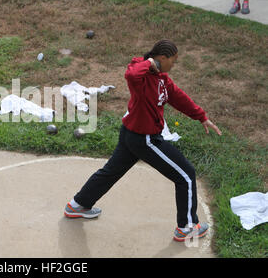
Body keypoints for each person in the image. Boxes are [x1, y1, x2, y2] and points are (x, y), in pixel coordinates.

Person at [64, 39, 222, 242]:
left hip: (132, 135)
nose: (174, 65)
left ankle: (77, 205)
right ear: (161, 58)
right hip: (144, 139)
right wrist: (149, 64)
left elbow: (177, 97)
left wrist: (201, 116)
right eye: (172, 61)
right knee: (186, 175)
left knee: (111, 171)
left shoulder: (163, 78)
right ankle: (188, 228)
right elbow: (130, 74)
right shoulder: (140, 74)